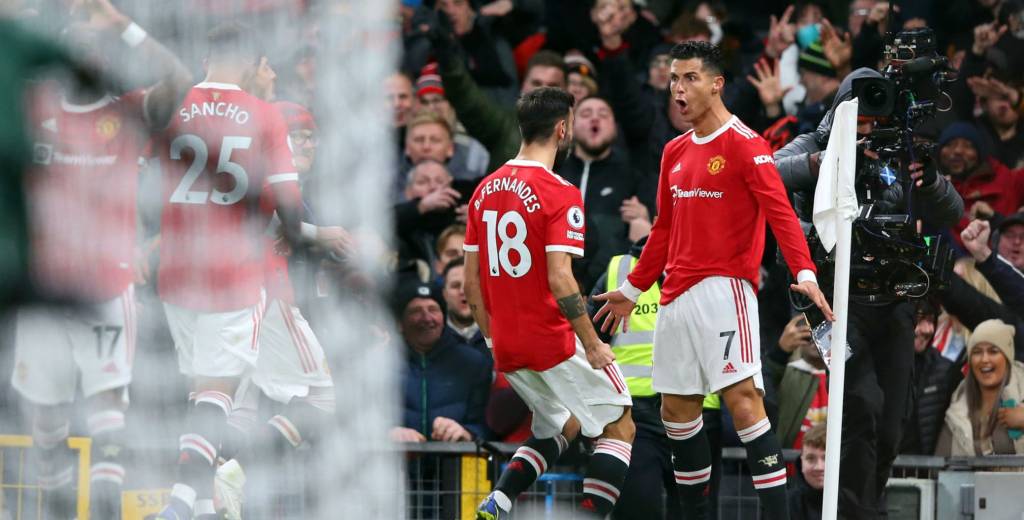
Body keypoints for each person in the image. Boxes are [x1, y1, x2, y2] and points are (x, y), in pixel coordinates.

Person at [593, 41, 833, 520]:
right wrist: (634, 289)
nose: (678, 90)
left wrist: (805, 272)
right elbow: (662, 230)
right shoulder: (674, 151)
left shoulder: (746, 143)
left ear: (716, 84)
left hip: (726, 291)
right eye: (674, 80)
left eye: (689, 79)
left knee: (743, 403)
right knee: (678, 414)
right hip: (675, 298)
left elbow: (781, 213)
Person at [153, 22, 343, 520]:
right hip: (235, 274)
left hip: (175, 270)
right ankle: (181, 503)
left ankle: (198, 504)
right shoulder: (262, 116)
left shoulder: (173, 103)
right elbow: (291, 210)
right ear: (253, 63)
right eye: (267, 64)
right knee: (224, 397)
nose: (271, 72)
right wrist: (306, 233)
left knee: (212, 396)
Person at [10, 1, 191, 518]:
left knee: (109, 402)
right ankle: (57, 505)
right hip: (42, 285)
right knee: (44, 416)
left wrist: (125, 26)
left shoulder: (127, 111)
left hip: (105, 283)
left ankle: (106, 507)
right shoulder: (33, 105)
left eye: (95, 48)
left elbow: (178, 77)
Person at [772, 66, 963, 519]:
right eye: (859, 118)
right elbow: (767, 175)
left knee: (892, 425)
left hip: (894, 301)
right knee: (861, 406)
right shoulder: (815, 144)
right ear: (841, 110)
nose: (868, 129)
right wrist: (825, 164)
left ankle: (865, 508)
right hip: (836, 304)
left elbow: (952, 210)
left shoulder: (899, 152)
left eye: (875, 120)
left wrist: (930, 179)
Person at [463, 87, 635, 519]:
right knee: (620, 424)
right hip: (552, 338)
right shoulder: (560, 191)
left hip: (506, 342)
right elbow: (560, 277)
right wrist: (592, 343)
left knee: (562, 423)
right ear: (563, 129)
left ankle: (498, 502)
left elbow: (470, 284)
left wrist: (490, 339)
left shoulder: (483, 190)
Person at [588, 236, 726, 520]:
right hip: (634, 417)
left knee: (696, 514)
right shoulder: (620, 271)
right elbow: (590, 347)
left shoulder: (716, 270)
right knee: (636, 511)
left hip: (699, 414)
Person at [560, 96, 656, 290]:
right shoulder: (555, 170)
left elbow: (649, 234)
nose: (595, 119)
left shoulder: (633, 176)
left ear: (614, 127)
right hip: (557, 283)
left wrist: (645, 221)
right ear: (570, 126)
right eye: (586, 114)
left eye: (603, 114)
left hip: (608, 289)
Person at [391, 282, 491, 443]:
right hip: (395, 465)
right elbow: (360, 419)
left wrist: (466, 433)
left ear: (443, 319)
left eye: (433, 309)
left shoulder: (472, 363)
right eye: (415, 311)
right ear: (400, 323)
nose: (426, 318)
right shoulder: (379, 364)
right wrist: (386, 432)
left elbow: (488, 425)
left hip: (452, 464)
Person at [936, 319, 1024, 455]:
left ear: (1007, 357)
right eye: (977, 352)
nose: (984, 359)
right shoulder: (958, 404)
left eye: (993, 351)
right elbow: (941, 466)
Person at [899, 300, 961, 455]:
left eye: (931, 320)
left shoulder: (946, 371)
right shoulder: (880, 367)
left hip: (928, 473)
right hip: (884, 472)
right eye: (920, 320)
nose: (928, 329)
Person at [788, 422, 827, 520]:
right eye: (811, 458)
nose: (819, 467)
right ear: (801, 461)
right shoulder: (784, 505)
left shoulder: (857, 504)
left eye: (826, 458)